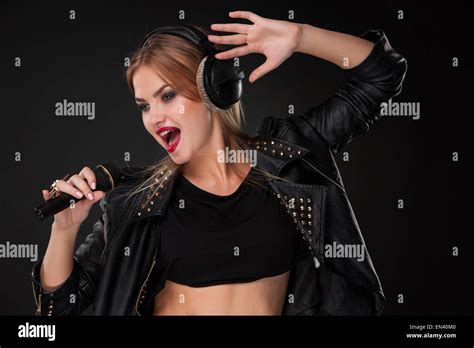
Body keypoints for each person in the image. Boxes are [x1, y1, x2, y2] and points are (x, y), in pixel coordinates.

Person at [32, 10, 407, 316]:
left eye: (167, 95)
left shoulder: (290, 158)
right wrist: (65, 230)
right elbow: (56, 313)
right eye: (145, 106)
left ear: (215, 86)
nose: (154, 117)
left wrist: (299, 37)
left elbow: (381, 75)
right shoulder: (134, 202)